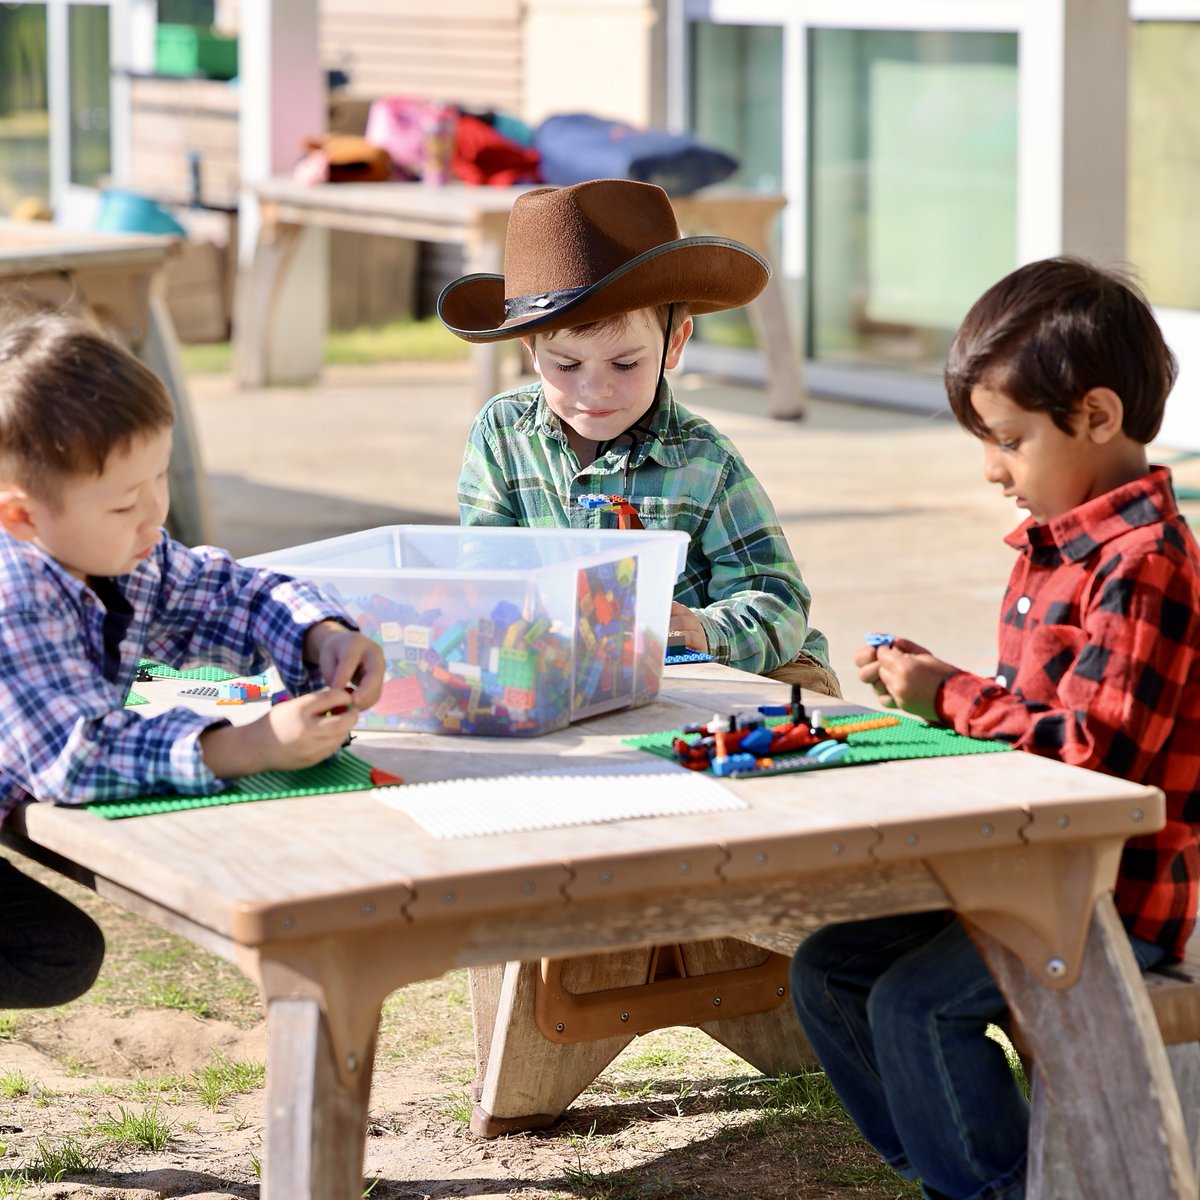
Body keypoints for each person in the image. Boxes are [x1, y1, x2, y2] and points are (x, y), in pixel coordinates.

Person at [789, 256, 1200, 1200]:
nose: (991, 469)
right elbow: (1039, 718)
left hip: (1108, 900)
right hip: (1021, 873)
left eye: (1009, 440)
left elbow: (1097, 760)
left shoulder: (1143, 565)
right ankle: (960, 1171)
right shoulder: (1061, 548)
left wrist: (951, 696)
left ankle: (993, 1188)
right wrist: (947, 688)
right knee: (829, 969)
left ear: (1097, 416)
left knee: (916, 1006)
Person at [0, 307, 385, 1009]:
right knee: (50, 955)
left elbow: (228, 592)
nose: (155, 515)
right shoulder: (11, 592)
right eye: (124, 504)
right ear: (22, 516)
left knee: (59, 954)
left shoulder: (119, 553)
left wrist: (322, 636)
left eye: (160, 478)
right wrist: (250, 745)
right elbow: (75, 759)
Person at [437, 178, 838, 693]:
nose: (595, 389)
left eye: (625, 363)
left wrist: (704, 632)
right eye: (567, 365)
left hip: (712, 666)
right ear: (530, 350)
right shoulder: (502, 433)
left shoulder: (703, 460)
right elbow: (485, 564)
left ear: (675, 343)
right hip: (572, 663)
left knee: (798, 696)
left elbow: (778, 599)